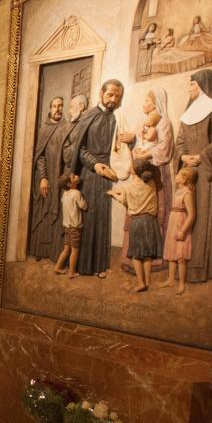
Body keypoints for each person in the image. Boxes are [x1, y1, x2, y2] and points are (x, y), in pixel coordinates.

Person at [175, 69, 212, 283]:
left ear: (201, 85)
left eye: (191, 84)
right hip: (188, 171)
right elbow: (180, 140)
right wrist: (183, 156)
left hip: (207, 174)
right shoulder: (188, 113)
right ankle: (183, 267)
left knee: (203, 217)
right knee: (186, 216)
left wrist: (201, 157)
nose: (188, 88)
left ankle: (201, 268)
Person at [68, 79, 126, 277]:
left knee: (102, 219)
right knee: (89, 217)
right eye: (110, 94)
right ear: (101, 93)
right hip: (90, 174)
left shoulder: (115, 117)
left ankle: (100, 266)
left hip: (106, 174)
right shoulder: (88, 117)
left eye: (118, 96)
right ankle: (84, 266)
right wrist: (95, 165)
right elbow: (81, 150)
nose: (113, 99)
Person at [118, 87, 174, 276]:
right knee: (137, 211)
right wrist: (136, 149)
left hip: (155, 171)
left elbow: (165, 147)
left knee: (152, 211)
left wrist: (147, 154)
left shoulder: (164, 123)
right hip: (140, 169)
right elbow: (140, 144)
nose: (144, 104)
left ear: (155, 103)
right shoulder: (144, 122)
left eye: (147, 100)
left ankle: (155, 259)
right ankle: (131, 259)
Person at [27, 95, 69, 260]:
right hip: (46, 176)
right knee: (43, 211)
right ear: (50, 109)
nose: (58, 109)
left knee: (58, 212)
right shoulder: (44, 128)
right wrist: (43, 178)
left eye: (60, 106)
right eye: (54, 106)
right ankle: (40, 251)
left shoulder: (66, 127)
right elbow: (40, 156)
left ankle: (54, 253)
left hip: (59, 175)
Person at [108, 162, 161, 292]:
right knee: (148, 254)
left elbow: (124, 201)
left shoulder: (128, 187)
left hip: (137, 222)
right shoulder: (152, 183)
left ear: (133, 172)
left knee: (136, 255)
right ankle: (147, 281)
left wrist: (113, 194)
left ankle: (140, 282)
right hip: (150, 222)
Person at [161, 167, 198, 294]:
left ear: (184, 179)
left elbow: (192, 214)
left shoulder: (187, 193)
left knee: (181, 256)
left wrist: (183, 230)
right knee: (172, 254)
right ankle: (171, 279)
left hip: (181, 223)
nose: (176, 176)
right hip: (173, 221)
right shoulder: (178, 191)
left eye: (178, 174)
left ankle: (182, 284)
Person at [53, 173, 87, 278]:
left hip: (67, 227)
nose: (76, 176)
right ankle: (71, 272)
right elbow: (83, 207)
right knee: (75, 250)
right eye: (73, 177)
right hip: (75, 228)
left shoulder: (64, 194)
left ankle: (57, 267)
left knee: (66, 248)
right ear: (69, 184)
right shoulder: (76, 193)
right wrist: (85, 202)